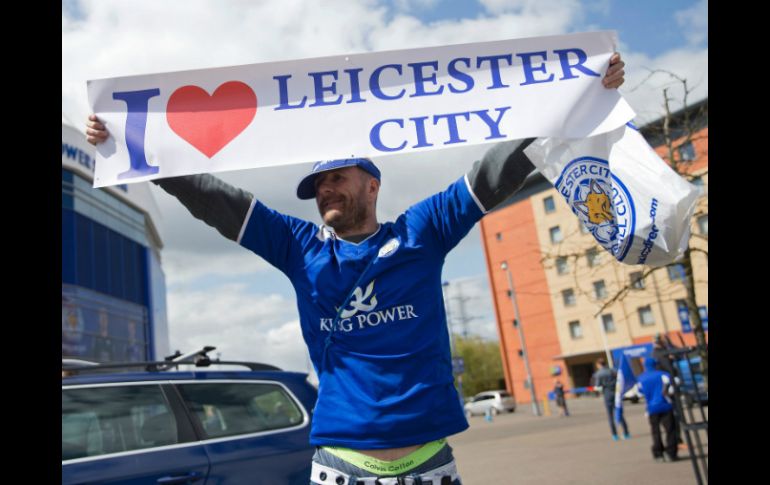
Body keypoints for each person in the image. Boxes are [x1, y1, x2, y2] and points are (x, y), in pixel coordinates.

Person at [87, 54, 625, 485]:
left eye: (336, 177)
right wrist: (138, 150)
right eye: (317, 184)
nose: (324, 189)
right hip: (343, 468)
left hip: (429, 466)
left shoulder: (422, 231)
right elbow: (218, 201)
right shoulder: (300, 248)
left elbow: (494, 173)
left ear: (372, 183)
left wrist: (577, 95)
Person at [635, 357, 678, 462]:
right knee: (670, 430)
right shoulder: (663, 374)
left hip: (651, 408)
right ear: (655, 364)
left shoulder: (640, 378)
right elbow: (672, 388)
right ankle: (671, 453)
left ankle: (658, 454)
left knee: (655, 431)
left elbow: (639, 393)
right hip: (665, 405)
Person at [591, 357, 630, 441]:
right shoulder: (613, 370)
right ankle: (626, 433)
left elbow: (598, 386)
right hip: (616, 394)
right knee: (619, 413)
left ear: (598, 365)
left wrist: (597, 389)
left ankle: (615, 435)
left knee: (610, 415)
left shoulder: (599, 374)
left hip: (607, 395)